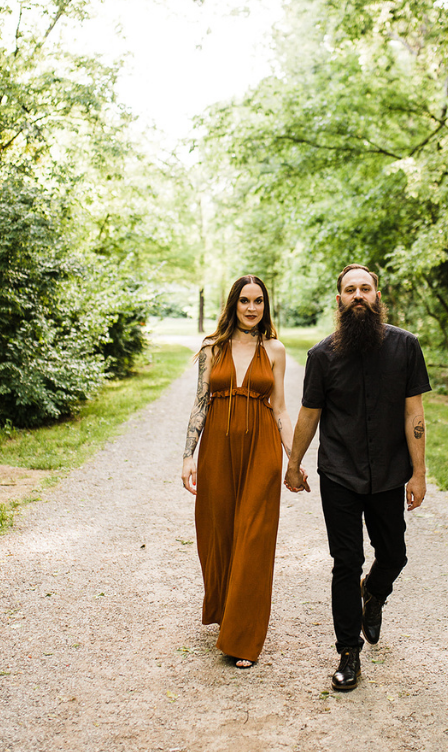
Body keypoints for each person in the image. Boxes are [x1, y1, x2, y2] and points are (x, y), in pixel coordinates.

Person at [285, 264, 430, 692]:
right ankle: (348, 653)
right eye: (351, 290)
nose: (359, 295)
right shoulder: (321, 356)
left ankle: (375, 592)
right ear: (340, 301)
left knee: (395, 554)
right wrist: (293, 464)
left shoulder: (406, 347)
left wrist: (418, 473)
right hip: (340, 475)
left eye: (365, 288)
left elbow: (414, 414)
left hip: (388, 474)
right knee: (345, 563)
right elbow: (309, 416)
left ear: (377, 294)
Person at [181, 274, 298, 668]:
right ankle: (225, 611)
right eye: (245, 301)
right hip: (216, 449)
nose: (252, 308)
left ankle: (243, 638)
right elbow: (200, 404)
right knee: (218, 532)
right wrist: (187, 456)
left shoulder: (276, 350)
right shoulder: (213, 347)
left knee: (254, 534)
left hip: (262, 451)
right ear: (233, 305)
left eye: (259, 301)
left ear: (266, 306)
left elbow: (280, 409)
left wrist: (294, 460)